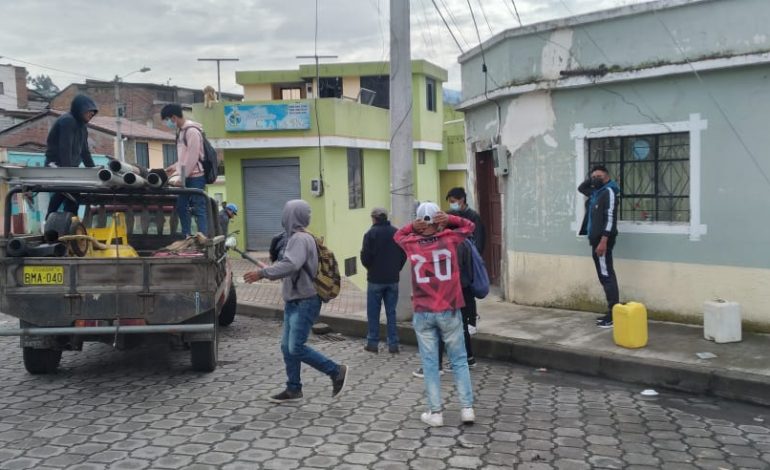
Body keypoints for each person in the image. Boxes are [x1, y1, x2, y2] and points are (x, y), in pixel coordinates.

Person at [243, 199, 350, 403]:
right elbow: (289, 265)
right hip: (294, 301)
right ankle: (293, 389)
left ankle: (336, 371)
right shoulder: (298, 238)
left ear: (290, 216)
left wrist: (262, 273)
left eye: (285, 213)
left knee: (296, 347)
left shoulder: (300, 239)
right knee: (287, 347)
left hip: (305, 301)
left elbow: (291, 264)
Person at [395, 202, 475, 427]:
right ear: (438, 218)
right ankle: (467, 409)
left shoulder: (411, 243)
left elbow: (398, 236)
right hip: (449, 309)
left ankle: (436, 413)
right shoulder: (449, 238)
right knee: (459, 360)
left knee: (430, 364)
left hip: (424, 311)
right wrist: (449, 219)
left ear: (420, 220)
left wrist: (413, 226)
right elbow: (469, 226)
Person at [413, 187, 486, 377]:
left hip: (454, 290)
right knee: (459, 326)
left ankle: (443, 364)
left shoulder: (454, 243)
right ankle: (466, 360)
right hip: (462, 288)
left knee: (446, 329)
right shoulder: (461, 242)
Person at [578, 165, 621, 328]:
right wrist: (593, 180)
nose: (595, 179)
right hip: (596, 240)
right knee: (605, 274)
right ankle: (612, 311)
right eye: (593, 176)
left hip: (604, 240)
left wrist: (603, 241)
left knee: (606, 275)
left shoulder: (609, 192)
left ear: (607, 176)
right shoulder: (597, 192)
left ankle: (614, 314)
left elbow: (610, 218)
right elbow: (581, 188)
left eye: (599, 176)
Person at [360, 207, 406, 354]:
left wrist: (371, 268)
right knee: (391, 312)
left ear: (374, 218)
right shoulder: (396, 233)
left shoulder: (370, 234)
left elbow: (365, 257)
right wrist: (396, 268)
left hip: (375, 279)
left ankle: (372, 343)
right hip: (392, 279)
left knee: (373, 312)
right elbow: (403, 254)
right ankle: (393, 344)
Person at [44, 94, 98, 216]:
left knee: (73, 198)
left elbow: (85, 152)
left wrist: (94, 171)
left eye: (93, 113)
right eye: (89, 111)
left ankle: (68, 225)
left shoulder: (82, 127)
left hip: (70, 169)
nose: (92, 115)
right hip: (56, 165)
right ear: (80, 109)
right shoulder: (67, 121)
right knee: (65, 192)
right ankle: (50, 222)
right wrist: (68, 172)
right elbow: (65, 148)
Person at [161, 104, 208, 237]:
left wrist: (181, 177)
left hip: (196, 176)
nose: (168, 124)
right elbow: (184, 157)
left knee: (199, 208)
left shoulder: (192, 131)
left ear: (174, 117)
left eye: (167, 120)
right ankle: (187, 235)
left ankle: (202, 237)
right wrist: (174, 167)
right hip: (185, 175)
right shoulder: (181, 131)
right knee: (181, 206)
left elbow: (193, 158)